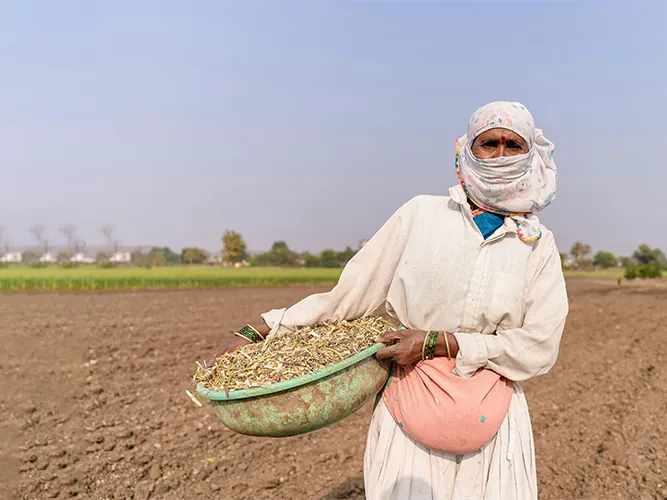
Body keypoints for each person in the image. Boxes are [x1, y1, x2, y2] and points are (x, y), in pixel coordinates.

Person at [207, 101, 569, 500]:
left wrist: (439, 342)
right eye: (489, 143)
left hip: (494, 423)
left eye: (512, 145)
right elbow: (348, 298)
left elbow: (539, 346)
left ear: (530, 155)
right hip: (407, 408)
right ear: (467, 149)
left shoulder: (536, 244)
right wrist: (263, 329)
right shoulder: (421, 215)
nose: (500, 155)